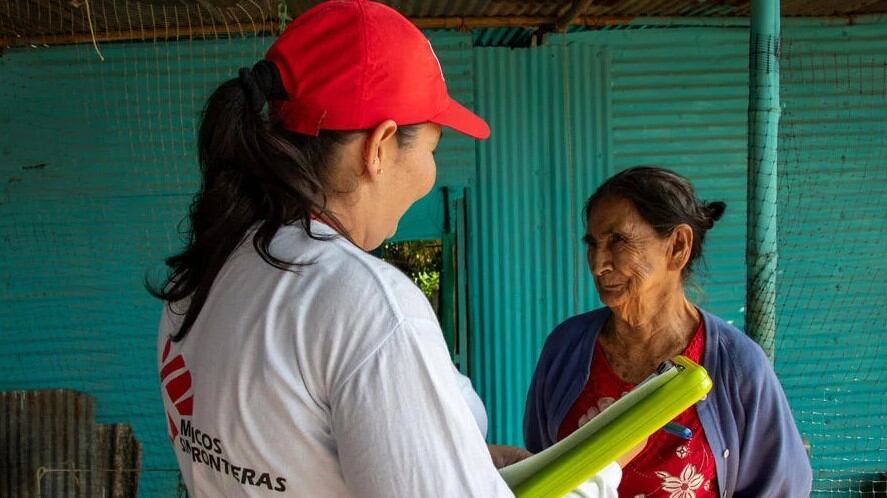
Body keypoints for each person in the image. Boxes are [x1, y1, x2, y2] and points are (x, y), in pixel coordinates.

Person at [151, 1, 632, 496]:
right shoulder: (364, 304)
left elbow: (291, 449)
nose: (430, 172)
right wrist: (597, 475)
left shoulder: (199, 276)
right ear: (378, 147)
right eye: (432, 148)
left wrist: (461, 459)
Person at [524, 167, 813, 497]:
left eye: (618, 240)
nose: (598, 264)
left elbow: (782, 489)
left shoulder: (736, 366)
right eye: (592, 244)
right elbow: (541, 465)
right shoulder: (566, 348)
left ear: (677, 246)